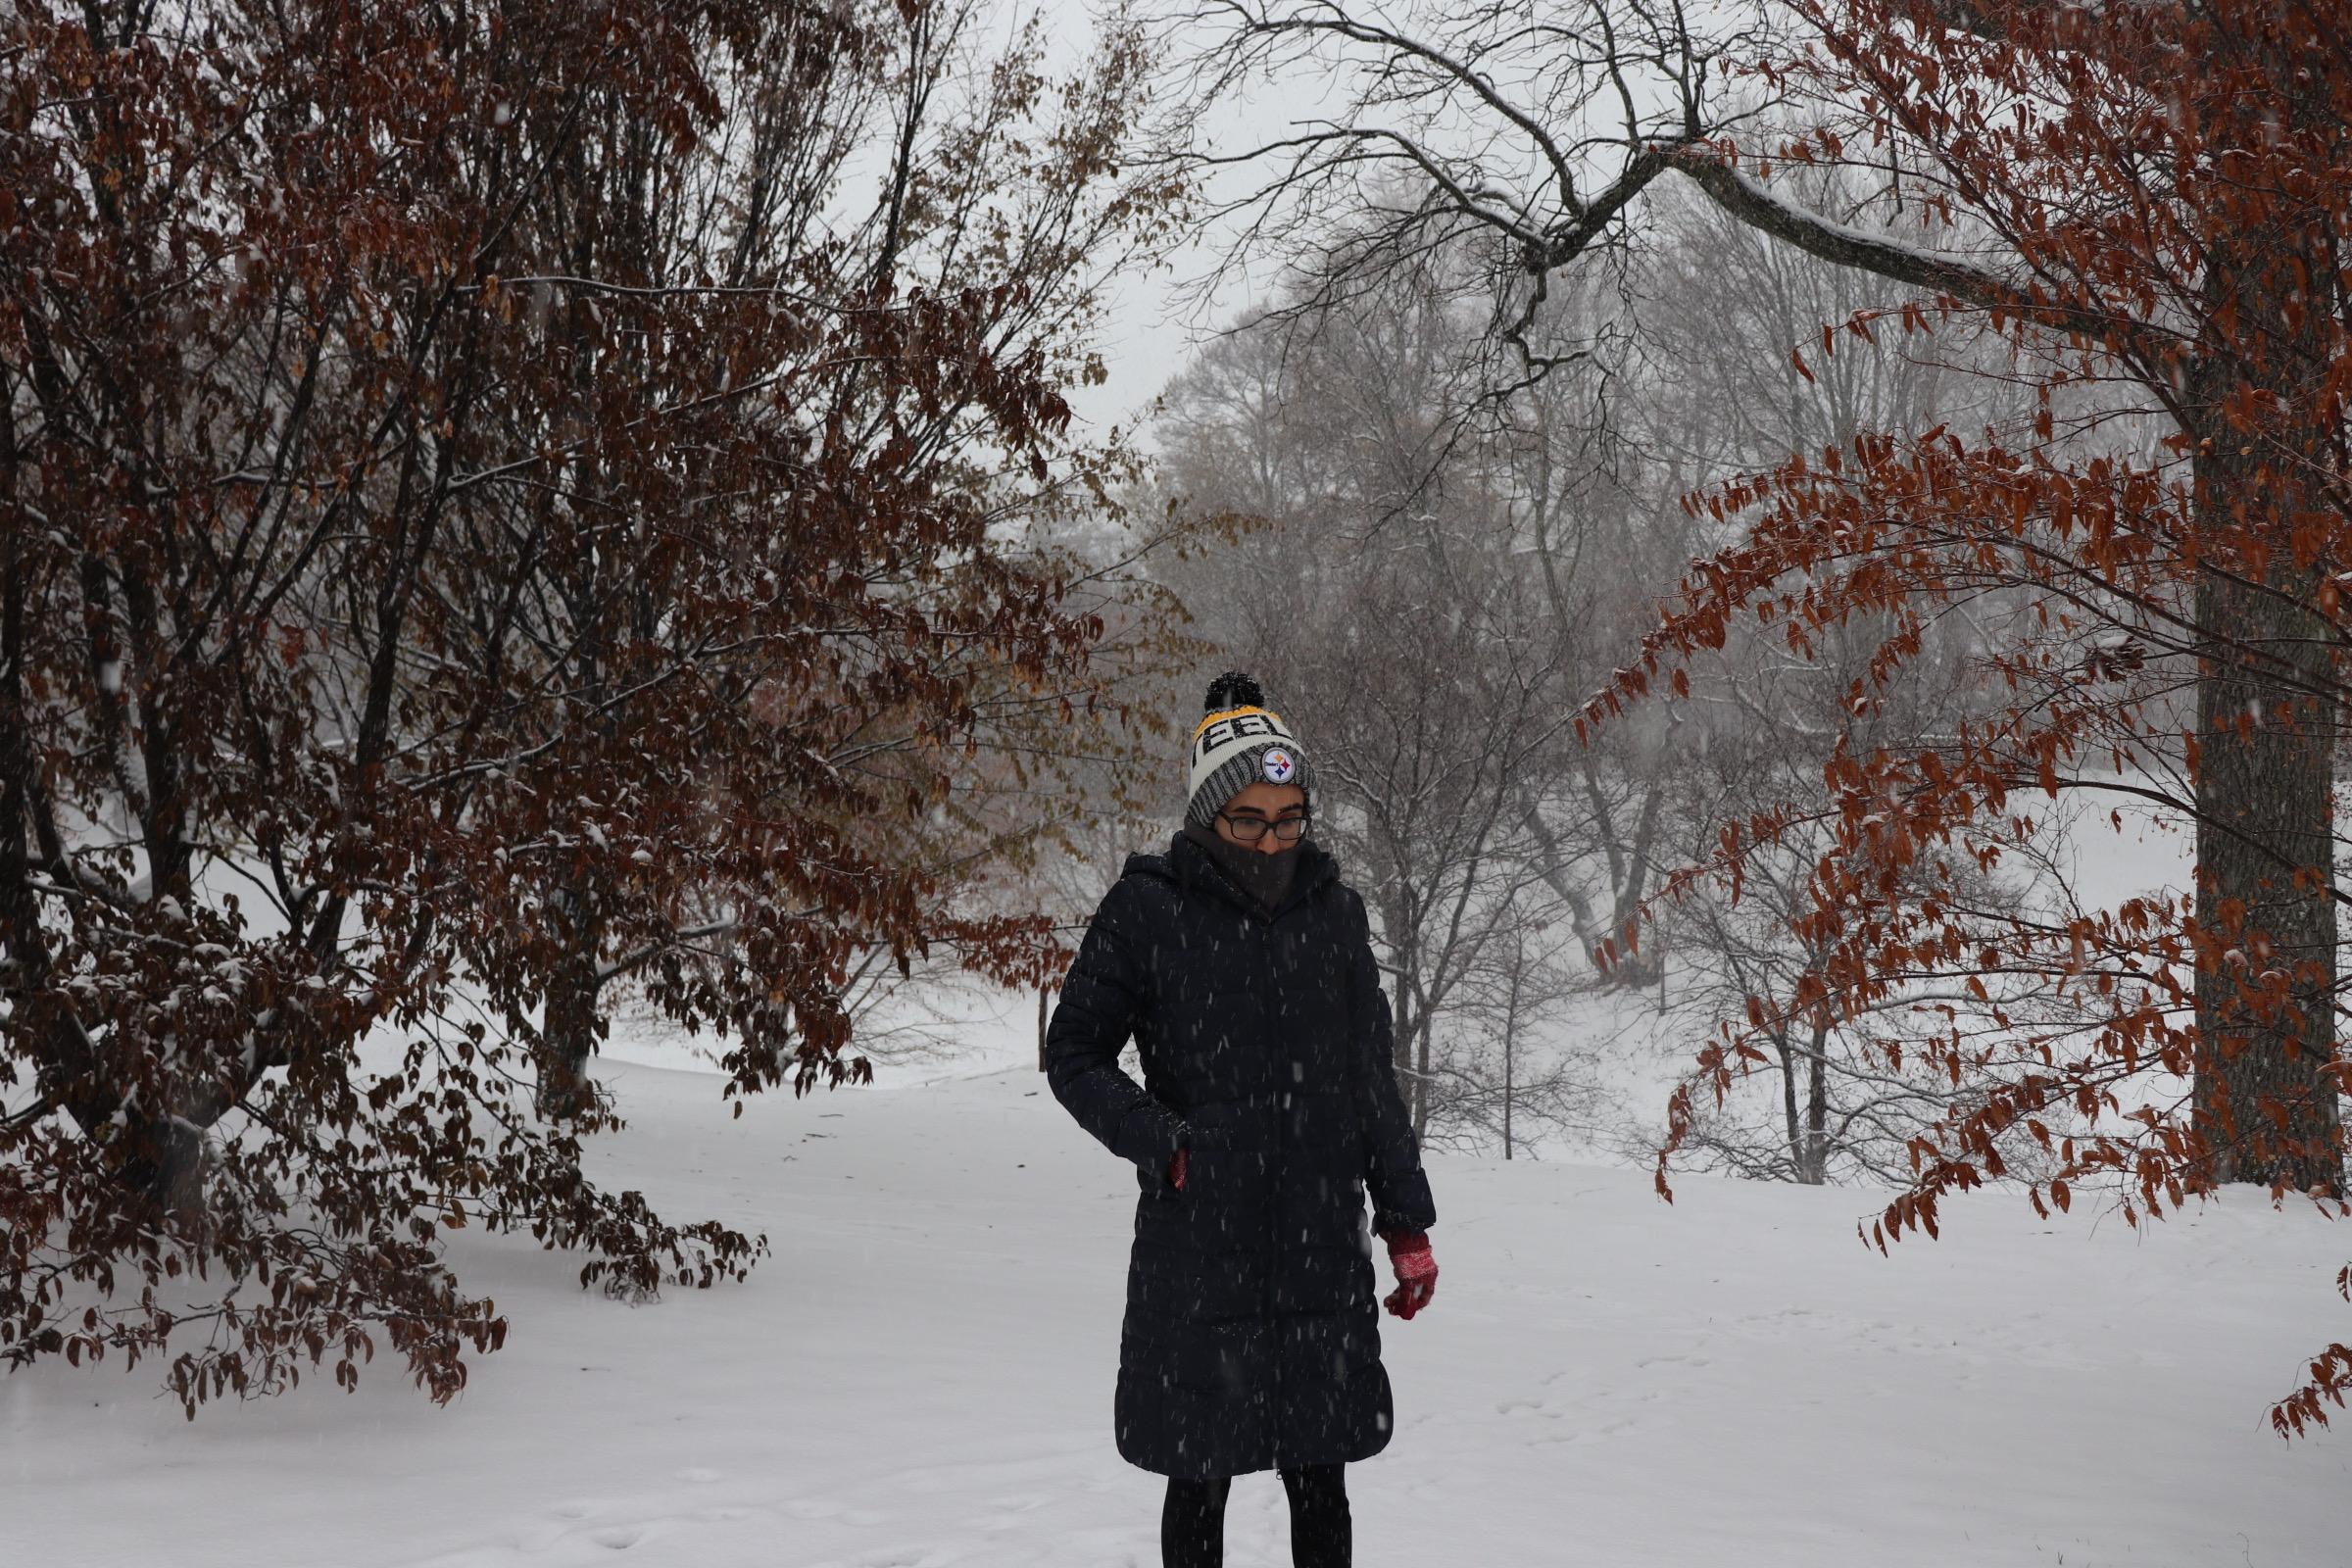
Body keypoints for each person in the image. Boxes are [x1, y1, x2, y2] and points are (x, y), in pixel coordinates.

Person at [1045, 671, 1439, 1568]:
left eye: (1289, 818)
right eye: (1249, 820)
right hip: (1202, 1249)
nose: (1272, 840)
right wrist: (1165, 1143)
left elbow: (1367, 1083)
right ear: (1207, 817)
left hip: (1317, 1246)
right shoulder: (1147, 911)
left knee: (1321, 1477)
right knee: (1200, 1476)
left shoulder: (1335, 916)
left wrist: (1407, 1221)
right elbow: (1073, 1055)